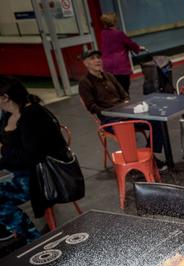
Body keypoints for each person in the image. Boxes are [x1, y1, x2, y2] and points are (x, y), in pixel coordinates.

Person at [0, 77, 69, 242]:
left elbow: (30, 158)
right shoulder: (9, 114)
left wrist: (3, 154)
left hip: (44, 178)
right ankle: (13, 230)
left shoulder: (32, 115)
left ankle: (32, 239)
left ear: (5, 97)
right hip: (24, 171)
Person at [79, 49, 167, 167]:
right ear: (85, 63)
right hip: (108, 119)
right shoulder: (85, 83)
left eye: (98, 57)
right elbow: (91, 106)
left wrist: (126, 105)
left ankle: (149, 156)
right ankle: (139, 162)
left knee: (158, 121)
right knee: (125, 129)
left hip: (125, 113)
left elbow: (124, 94)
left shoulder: (109, 76)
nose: (97, 60)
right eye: (92, 58)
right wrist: (108, 112)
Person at [99, 12, 144, 94]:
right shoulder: (119, 34)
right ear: (115, 22)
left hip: (107, 66)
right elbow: (130, 43)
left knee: (114, 89)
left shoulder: (103, 34)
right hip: (119, 66)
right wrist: (138, 48)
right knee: (124, 89)